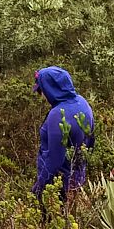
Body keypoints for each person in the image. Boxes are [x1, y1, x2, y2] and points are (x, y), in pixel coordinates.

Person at [32, 66, 95, 202]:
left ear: (49, 88)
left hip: (57, 185)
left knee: (52, 221)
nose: (41, 95)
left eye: (41, 90)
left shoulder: (58, 115)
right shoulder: (82, 102)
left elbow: (54, 159)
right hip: (77, 178)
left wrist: (38, 188)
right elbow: (91, 140)